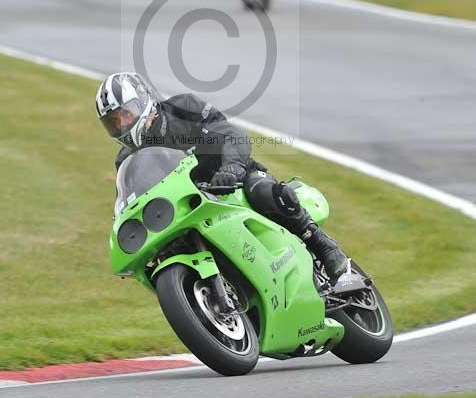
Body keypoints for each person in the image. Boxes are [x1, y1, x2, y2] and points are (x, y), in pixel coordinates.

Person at [96, 72, 348, 281]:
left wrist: (229, 169)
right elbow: (130, 200)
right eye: (113, 122)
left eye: (126, 114)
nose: (122, 125)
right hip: (188, 210)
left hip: (233, 182)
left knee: (260, 190)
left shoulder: (183, 108)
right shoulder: (124, 159)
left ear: (143, 101)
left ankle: (322, 244)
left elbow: (232, 135)